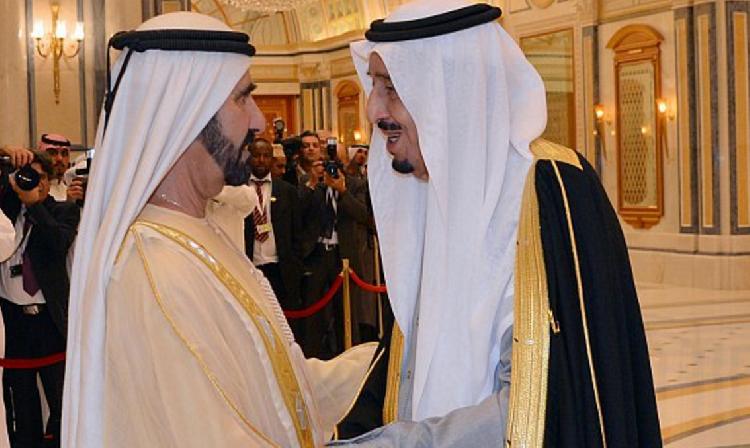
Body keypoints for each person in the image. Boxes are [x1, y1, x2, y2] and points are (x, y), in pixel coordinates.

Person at [333, 1, 662, 446]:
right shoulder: (424, 192)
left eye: (392, 87)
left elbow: (545, 400)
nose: (373, 110)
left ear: (453, 91)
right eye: (374, 86)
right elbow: (403, 361)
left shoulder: (553, 189)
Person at [61, 12, 375, 448]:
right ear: (188, 112)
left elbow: (270, 385)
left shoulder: (196, 232)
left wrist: (379, 371)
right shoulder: (150, 267)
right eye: (242, 99)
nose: (259, 121)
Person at [0, 148, 79, 448]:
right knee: (22, 410)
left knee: (62, 407)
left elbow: (58, 242)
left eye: (41, 177)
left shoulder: (62, 210)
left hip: (50, 323)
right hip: (14, 325)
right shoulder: (5, 214)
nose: (35, 182)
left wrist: (35, 205)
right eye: (27, 176)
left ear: (48, 181)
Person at [298, 150, 371, 359]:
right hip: (317, 253)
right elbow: (300, 212)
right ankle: (312, 357)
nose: (331, 170)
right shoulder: (311, 183)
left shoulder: (354, 185)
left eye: (336, 165)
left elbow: (363, 214)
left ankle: (349, 356)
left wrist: (343, 191)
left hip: (344, 255)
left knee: (346, 310)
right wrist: (313, 183)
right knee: (313, 310)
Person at [244, 138, 305, 341]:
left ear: (272, 159)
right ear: (249, 157)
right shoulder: (239, 189)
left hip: (281, 269)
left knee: (285, 328)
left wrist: (295, 264)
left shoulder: (287, 191)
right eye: (256, 155)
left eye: (266, 156)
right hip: (250, 266)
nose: (261, 160)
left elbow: (297, 232)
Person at [37, 134, 71, 202]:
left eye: (64, 154)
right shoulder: (36, 190)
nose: (60, 159)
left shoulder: (70, 189)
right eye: (52, 153)